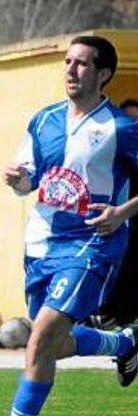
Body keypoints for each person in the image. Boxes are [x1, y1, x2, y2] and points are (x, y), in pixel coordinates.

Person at [0, 36, 138, 416]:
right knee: (50, 345)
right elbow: (28, 183)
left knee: (40, 337)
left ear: (103, 74)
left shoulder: (122, 128)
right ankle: (124, 342)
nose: (71, 70)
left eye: (81, 64)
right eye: (67, 62)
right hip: (41, 243)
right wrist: (15, 178)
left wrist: (123, 212)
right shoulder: (44, 121)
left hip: (92, 243)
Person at [88, 98, 138, 329]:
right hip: (110, 225)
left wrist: (123, 213)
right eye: (129, 121)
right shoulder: (107, 155)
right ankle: (104, 316)